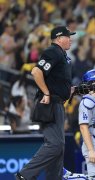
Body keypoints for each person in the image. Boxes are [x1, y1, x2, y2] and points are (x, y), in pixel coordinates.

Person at [16, 26, 76, 180]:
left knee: (59, 147)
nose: (71, 39)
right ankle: (24, 175)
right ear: (59, 38)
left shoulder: (62, 56)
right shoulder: (53, 51)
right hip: (49, 103)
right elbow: (36, 72)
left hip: (57, 103)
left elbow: (56, 81)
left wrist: (69, 90)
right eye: (68, 36)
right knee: (55, 145)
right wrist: (47, 92)